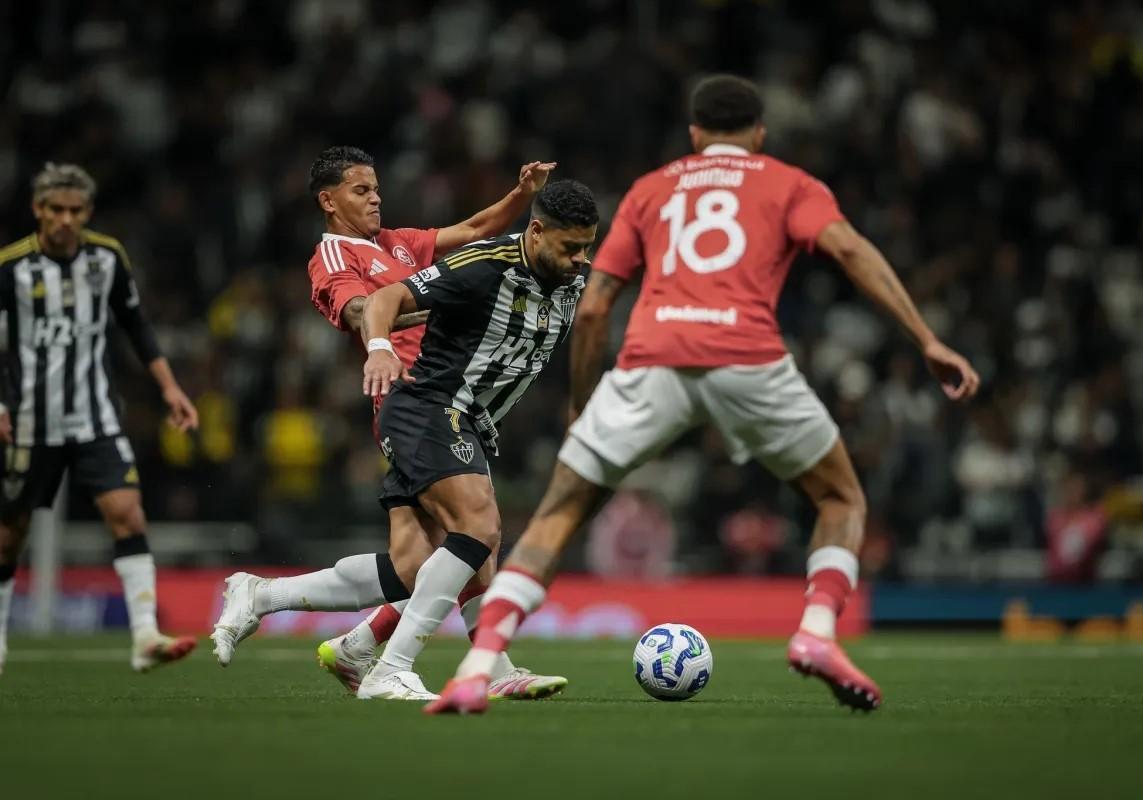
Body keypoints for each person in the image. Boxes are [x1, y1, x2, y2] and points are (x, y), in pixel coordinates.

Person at [427, 75, 981, 715]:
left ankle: (474, 668)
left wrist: (583, 401)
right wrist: (926, 339)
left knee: (557, 516)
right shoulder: (786, 182)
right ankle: (817, 632)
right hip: (750, 358)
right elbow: (850, 251)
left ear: (694, 136)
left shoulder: (651, 189)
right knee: (838, 496)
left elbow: (598, 306)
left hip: (652, 359)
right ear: (760, 134)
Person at [209, 150, 575, 699]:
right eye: (360, 190)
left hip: (451, 399)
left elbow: (476, 227)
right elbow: (363, 311)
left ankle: (263, 596)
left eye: (376, 187)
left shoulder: (398, 243)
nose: (375, 197)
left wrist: (523, 193)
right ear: (328, 202)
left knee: (414, 565)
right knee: (477, 528)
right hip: (414, 397)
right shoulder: (333, 255)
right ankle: (436, 667)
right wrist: (436, 311)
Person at [0, 163, 200, 676]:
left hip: (96, 418)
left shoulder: (107, 258)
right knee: (8, 533)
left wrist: (170, 387)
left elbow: (136, 324)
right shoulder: (10, 267)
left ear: (87, 212)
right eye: (56, 210)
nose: (66, 220)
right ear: (38, 210)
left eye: (76, 210)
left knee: (128, 514)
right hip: (27, 422)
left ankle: (144, 637)